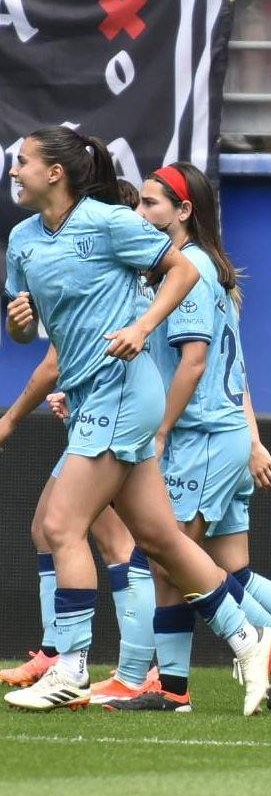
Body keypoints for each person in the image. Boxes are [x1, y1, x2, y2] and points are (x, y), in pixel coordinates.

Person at [2, 126, 271, 715]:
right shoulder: (23, 240)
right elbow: (26, 333)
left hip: (124, 393)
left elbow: (181, 272)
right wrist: (21, 323)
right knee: (159, 539)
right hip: (90, 398)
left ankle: (71, 666)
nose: (14, 169)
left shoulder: (107, 222)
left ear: (55, 172)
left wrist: (142, 327)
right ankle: (250, 638)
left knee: (60, 525)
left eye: (23, 161)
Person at [99, 161, 271, 711]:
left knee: (170, 561)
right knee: (228, 570)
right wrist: (253, 439)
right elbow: (233, 369)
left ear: (184, 211)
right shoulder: (204, 268)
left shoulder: (188, 268)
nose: (141, 214)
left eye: (151, 204)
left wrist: (162, 430)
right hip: (226, 436)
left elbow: (194, 363)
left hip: (203, 437)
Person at [0, 178, 157, 698]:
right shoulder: (48, 247)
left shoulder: (123, 266)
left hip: (124, 410)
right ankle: (66, 656)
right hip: (103, 410)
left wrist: (11, 418)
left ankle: (91, 666)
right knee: (147, 541)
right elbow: (47, 349)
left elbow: (54, 361)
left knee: (81, 531)